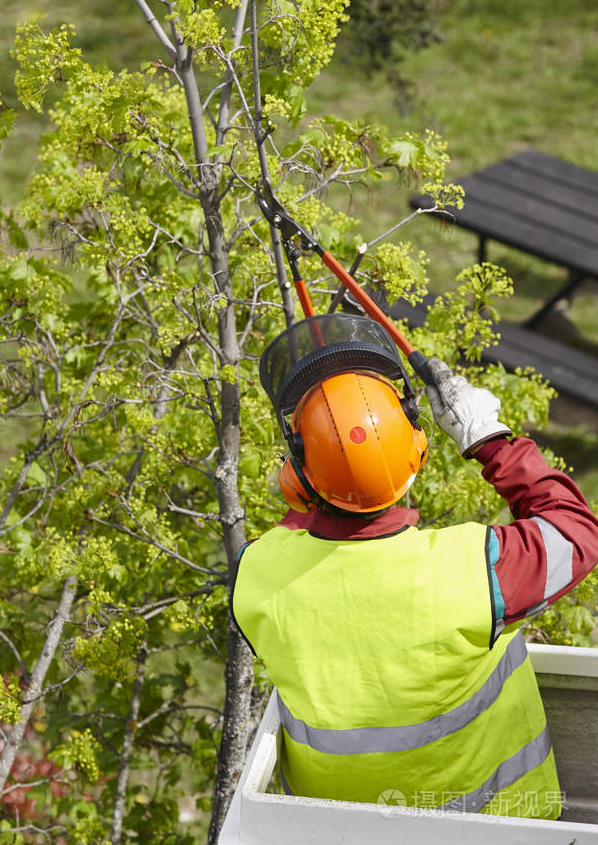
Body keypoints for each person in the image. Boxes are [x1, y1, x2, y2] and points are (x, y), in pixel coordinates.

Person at [231, 314, 598, 820]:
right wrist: (490, 440)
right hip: (500, 825)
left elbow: (303, 543)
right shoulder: (474, 569)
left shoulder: (256, 573)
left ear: (297, 470)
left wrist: (317, 483)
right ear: (417, 452)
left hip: (334, 830)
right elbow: (576, 533)